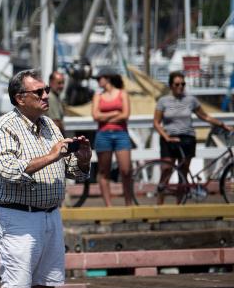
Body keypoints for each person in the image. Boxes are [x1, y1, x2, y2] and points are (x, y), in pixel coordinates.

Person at [0, 70, 91, 288]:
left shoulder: (49, 126)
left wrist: (82, 161)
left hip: (49, 215)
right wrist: (51, 155)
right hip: (17, 216)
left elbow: (71, 172)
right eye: (40, 92)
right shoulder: (3, 128)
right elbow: (9, 171)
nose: (47, 96)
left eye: (46, 90)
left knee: (46, 286)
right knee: (14, 286)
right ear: (20, 98)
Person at [153, 70, 234, 204]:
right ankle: (159, 206)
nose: (180, 87)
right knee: (166, 170)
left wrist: (222, 125)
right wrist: (166, 137)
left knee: (183, 173)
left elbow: (204, 116)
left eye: (183, 84)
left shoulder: (191, 100)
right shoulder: (163, 101)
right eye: (177, 84)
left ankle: (180, 205)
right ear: (171, 85)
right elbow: (156, 122)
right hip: (169, 138)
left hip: (187, 138)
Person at [91, 67, 133, 206]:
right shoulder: (98, 96)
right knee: (104, 171)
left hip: (121, 134)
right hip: (103, 135)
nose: (97, 81)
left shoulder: (122, 93)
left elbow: (125, 115)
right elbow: (95, 116)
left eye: (99, 78)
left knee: (126, 170)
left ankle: (128, 203)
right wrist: (115, 113)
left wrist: (105, 118)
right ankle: (109, 206)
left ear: (107, 78)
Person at [47, 70, 66, 135]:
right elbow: (56, 122)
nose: (62, 86)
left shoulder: (56, 96)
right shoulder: (51, 97)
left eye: (63, 83)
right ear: (51, 83)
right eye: (59, 83)